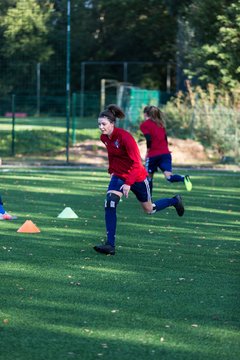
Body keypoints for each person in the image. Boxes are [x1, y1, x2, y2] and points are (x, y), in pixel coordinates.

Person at [93, 104, 185, 256]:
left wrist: (128, 183)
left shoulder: (125, 138)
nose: (101, 127)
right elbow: (112, 155)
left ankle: (175, 201)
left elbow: (137, 163)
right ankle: (110, 244)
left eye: (104, 124)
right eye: (99, 124)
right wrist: (111, 171)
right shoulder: (104, 138)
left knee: (149, 209)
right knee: (110, 202)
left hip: (138, 177)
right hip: (119, 176)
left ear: (112, 124)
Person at [140, 105, 192, 197]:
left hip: (153, 155)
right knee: (169, 177)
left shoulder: (145, 125)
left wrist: (147, 152)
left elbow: (149, 139)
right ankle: (183, 178)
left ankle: (148, 200)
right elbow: (165, 139)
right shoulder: (160, 124)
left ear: (145, 114)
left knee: (148, 178)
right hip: (165, 154)